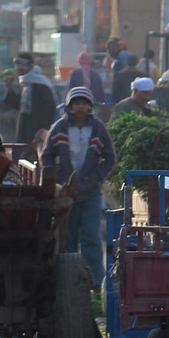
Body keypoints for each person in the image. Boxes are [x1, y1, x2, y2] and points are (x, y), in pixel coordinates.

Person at [43, 87, 116, 287]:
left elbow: (110, 158)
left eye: (84, 103)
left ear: (90, 106)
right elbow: (46, 156)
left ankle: (96, 283)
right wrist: (61, 178)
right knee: (68, 239)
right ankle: (70, 282)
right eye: (76, 103)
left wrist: (90, 180)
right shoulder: (59, 128)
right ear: (69, 106)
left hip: (90, 193)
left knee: (91, 238)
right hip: (67, 194)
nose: (81, 107)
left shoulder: (99, 128)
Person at [5, 54, 56, 159]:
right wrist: (10, 89)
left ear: (26, 67)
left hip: (36, 128)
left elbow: (49, 107)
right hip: (24, 127)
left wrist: (43, 128)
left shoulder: (40, 84)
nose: (16, 69)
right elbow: (18, 105)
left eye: (19, 66)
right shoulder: (26, 84)